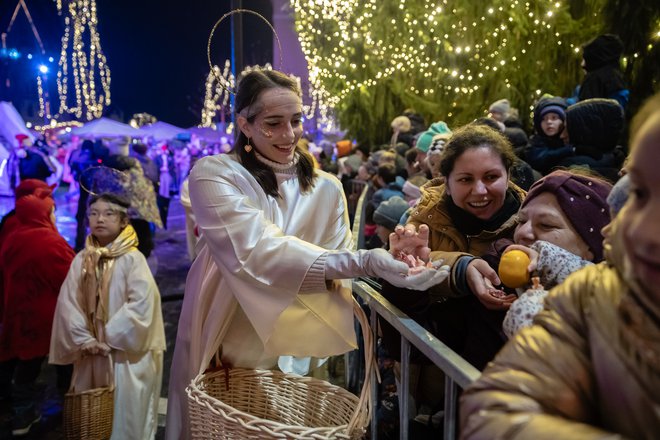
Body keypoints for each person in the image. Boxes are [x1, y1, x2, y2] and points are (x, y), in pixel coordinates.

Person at [165, 69, 449, 439]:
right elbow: (259, 249)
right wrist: (365, 261)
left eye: (296, 120)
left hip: (298, 337)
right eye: (273, 123)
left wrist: (388, 260)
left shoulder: (327, 187)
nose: (289, 134)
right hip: (229, 330)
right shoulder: (215, 175)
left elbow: (339, 263)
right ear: (244, 124)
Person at [460, 91, 660, 439]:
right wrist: (455, 270)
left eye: (548, 226)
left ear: (592, 243)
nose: (640, 228)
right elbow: (491, 407)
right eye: (639, 195)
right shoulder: (584, 295)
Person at [50, 192, 166, 440]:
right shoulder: (82, 259)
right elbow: (68, 303)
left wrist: (110, 337)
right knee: (93, 420)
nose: (99, 219)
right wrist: (86, 340)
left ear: (124, 221)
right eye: (94, 213)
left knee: (128, 416)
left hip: (125, 354)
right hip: (93, 353)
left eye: (108, 213)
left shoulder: (133, 259)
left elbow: (143, 304)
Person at [0, 188, 75, 436]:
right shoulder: (49, 242)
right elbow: (70, 278)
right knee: (65, 363)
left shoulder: (15, 235)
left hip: (19, 311)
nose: (54, 217)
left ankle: (23, 413)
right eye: (52, 212)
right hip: (49, 315)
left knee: (27, 365)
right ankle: (72, 410)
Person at [525, 96, 573, 175]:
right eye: (544, 119)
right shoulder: (535, 142)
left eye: (554, 118)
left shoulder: (572, 139)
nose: (549, 122)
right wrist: (568, 151)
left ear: (564, 120)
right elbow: (538, 160)